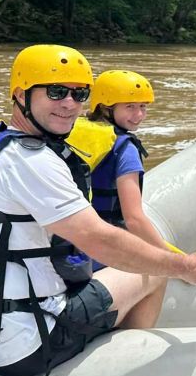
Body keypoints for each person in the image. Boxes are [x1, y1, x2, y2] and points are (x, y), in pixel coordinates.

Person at [0, 45, 196, 376]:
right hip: (29, 340)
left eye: (80, 94)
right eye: (56, 91)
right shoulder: (32, 162)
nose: (69, 104)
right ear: (20, 94)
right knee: (155, 273)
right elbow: (99, 240)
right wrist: (186, 266)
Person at [69, 69, 166, 270]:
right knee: (160, 273)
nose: (139, 115)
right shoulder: (125, 150)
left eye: (143, 107)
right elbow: (134, 219)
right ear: (106, 108)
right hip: (104, 252)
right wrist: (169, 258)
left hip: (67, 244)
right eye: (130, 107)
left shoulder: (70, 131)